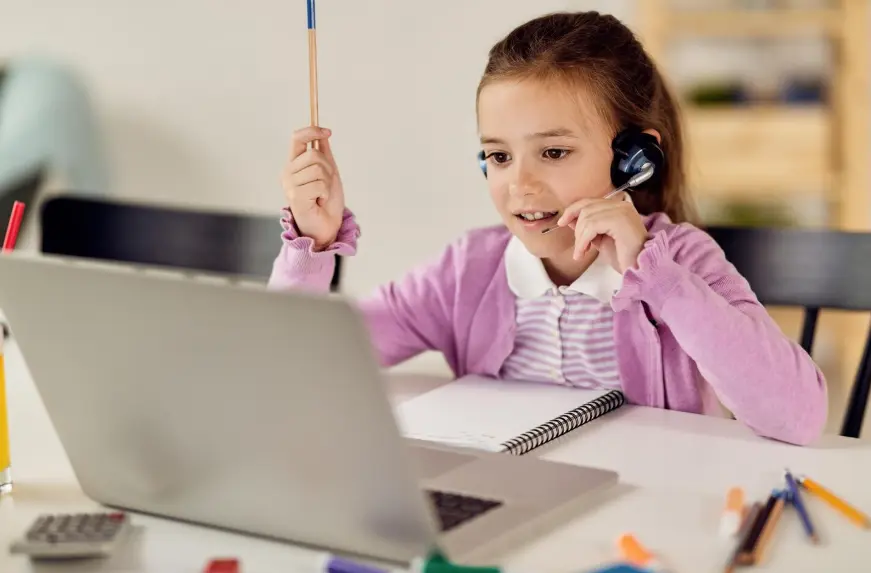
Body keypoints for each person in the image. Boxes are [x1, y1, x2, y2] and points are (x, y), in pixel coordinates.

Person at [268, 11, 827, 446]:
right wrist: (313, 246)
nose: (520, 186)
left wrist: (656, 278)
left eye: (553, 151)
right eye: (499, 157)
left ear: (633, 158)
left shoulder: (681, 263)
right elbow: (296, 363)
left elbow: (799, 415)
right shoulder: (468, 271)